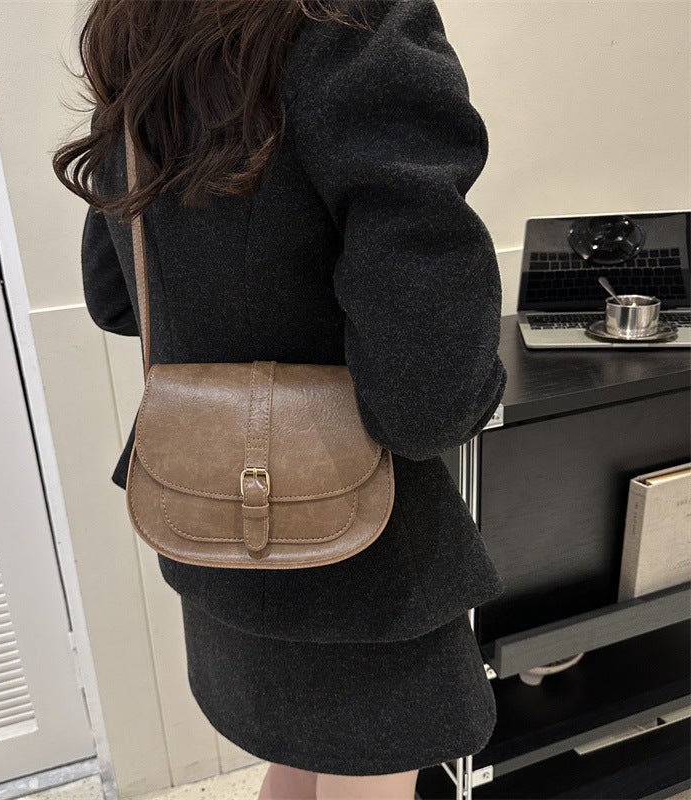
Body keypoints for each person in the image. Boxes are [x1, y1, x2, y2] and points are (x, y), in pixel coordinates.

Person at [53, 0, 507, 797]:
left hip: (206, 511)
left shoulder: (141, 26)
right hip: (359, 541)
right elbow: (425, 398)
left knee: (296, 769)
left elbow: (114, 297)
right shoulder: (352, 20)